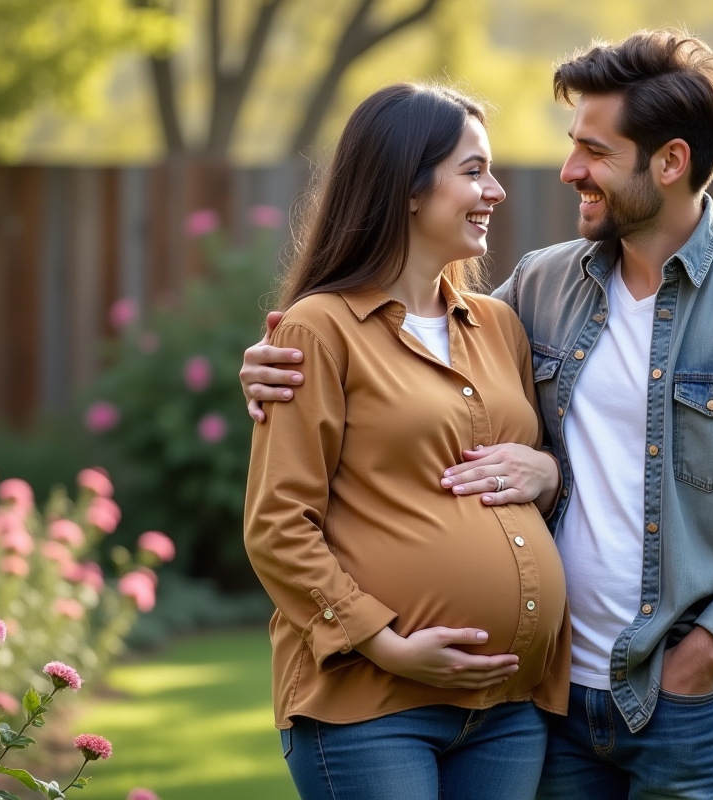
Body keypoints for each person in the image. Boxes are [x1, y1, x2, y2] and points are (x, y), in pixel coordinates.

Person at [242, 30, 713, 800]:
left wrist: (706, 654)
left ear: (669, 163)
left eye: (594, 152)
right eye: (573, 147)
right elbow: (398, 357)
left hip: (676, 701)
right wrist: (270, 367)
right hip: (556, 702)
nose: (569, 172)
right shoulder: (539, 288)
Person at [242, 83, 571, 800]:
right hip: (371, 705)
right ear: (409, 187)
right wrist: (385, 642)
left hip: (507, 710)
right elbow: (277, 526)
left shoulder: (500, 326)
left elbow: (539, 462)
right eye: (474, 170)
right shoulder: (319, 330)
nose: (498, 190)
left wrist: (546, 470)